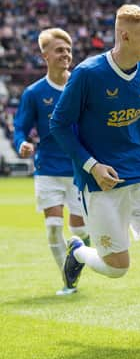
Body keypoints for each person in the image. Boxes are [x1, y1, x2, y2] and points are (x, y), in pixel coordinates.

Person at [50, 4, 140, 343]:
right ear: (124, 35)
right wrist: (92, 166)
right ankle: (79, 252)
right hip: (100, 183)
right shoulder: (88, 74)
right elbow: (59, 124)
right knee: (117, 268)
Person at [13, 28, 90, 296]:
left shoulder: (81, 86)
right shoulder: (34, 93)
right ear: (45, 55)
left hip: (79, 168)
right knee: (54, 227)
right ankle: (68, 281)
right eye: (59, 50)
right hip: (47, 169)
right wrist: (21, 143)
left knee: (82, 230)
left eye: (68, 50)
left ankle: (78, 257)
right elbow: (20, 127)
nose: (65, 55)